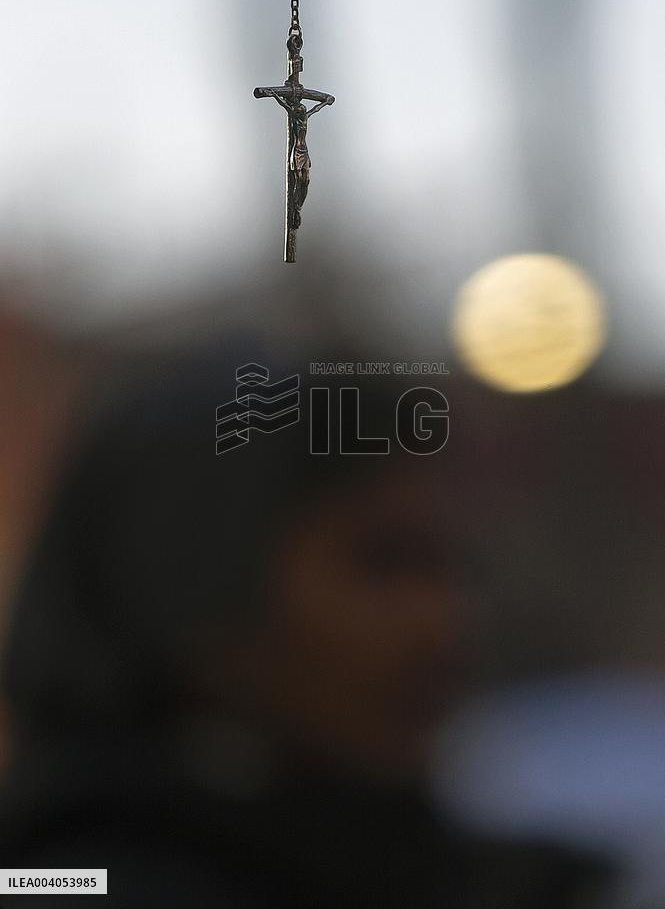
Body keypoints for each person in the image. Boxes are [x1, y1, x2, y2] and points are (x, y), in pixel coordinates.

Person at [0, 336, 611, 907]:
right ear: (188, 586)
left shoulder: (470, 873)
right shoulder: (65, 879)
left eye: (452, 566)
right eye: (382, 563)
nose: (445, 624)